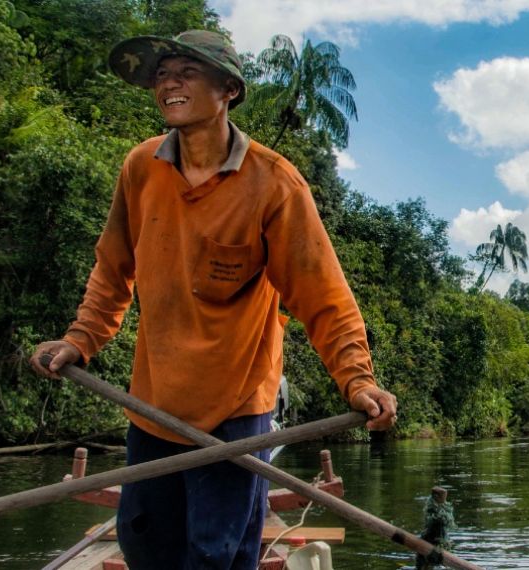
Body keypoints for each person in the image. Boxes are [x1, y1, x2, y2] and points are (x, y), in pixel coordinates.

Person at [29, 29, 397, 569]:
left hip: (235, 414)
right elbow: (113, 269)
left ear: (228, 89)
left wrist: (357, 379)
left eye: (186, 73)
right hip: (152, 408)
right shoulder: (140, 168)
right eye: (161, 75)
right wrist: (79, 341)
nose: (168, 83)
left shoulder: (274, 185)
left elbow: (324, 297)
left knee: (217, 555)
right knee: (145, 547)